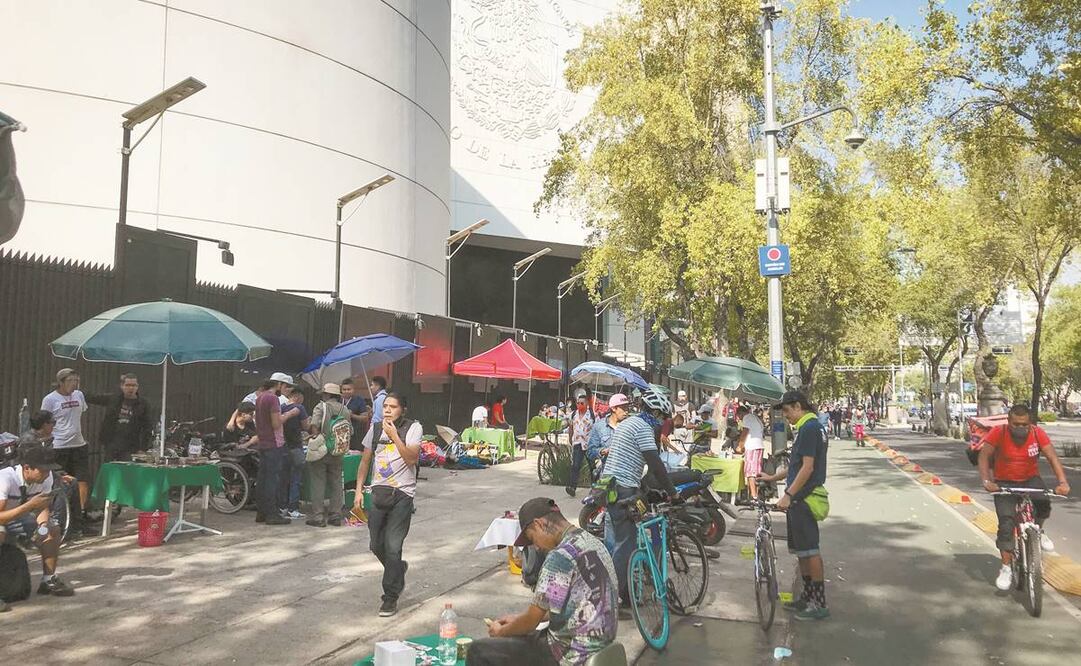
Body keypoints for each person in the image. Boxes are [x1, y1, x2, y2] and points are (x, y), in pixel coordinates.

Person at [468, 498, 618, 666]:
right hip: (600, 644)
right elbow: (568, 605)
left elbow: (530, 622)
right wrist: (517, 619)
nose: (537, 547)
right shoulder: (594, 543)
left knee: (478, 650)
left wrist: (501, 631)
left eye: (532, 539)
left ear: (539, 524)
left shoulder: (560, 557)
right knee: (521, 634)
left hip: (568, 654)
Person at [977, 404, 1070, 591]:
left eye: (1024, 425)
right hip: (1004, 482)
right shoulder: (999, 433)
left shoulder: (1037, 433)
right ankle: (1006, 568)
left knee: (1044, 504)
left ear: (1030, 423)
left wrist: (1063, 482)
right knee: (1006, 523)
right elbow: (984, 456)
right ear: (1009, 422)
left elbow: (1052, 457)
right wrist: (987, 481)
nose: (1020, 428)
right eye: (1016, 424)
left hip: (1030, 479)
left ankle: (1039, 531)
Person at [603, 386, 679, 604]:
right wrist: (672, 492)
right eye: (662, 417)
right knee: (626, 545)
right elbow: (655, 465)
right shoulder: (643, 428)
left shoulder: (629, 423)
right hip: (624, 489)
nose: (662, 422)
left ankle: (626, 593)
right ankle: (611, 597)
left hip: (610, 486)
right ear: (654, 413)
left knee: (621, 538)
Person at [759, 390, 830, 621]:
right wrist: (772, 478)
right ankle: (807, 597)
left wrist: (788, 495)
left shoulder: (810, 428)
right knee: (802, 552)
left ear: (798, 406)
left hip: (804, 498)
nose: (786, 416)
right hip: (798, 498)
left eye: (787, 411)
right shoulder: (809, 427)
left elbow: (807, 468)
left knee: (810, 551)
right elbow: (795, 466)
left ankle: (818, 604)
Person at [355, 393, 422, 617]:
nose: (387, 410)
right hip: (378, 493)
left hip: (402, 494)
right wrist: (358, 490)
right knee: (376, 545)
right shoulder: (375, 429)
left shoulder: (413, 428)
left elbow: (411, 459)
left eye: (393, 406)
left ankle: (390, 597)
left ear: (403, 409)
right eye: (385, 406)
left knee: (393, 546)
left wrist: (394, 435)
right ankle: (398, 569)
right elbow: (365, 460)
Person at [0, 444, 75, 598]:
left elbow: (42, 507)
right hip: (3, 516)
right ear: (27, 468)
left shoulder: (45, 479)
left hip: (17, 516)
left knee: (52, 529)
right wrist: (29, 506)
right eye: (43, 470)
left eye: (49, 470)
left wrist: (43, 527)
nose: (47, 474)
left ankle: (48, 579)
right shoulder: (5, 479)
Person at [41, 369, 90, 532]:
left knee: (82, 480)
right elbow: (44, 422)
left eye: (76, 380)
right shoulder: (50, 399)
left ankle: (80, 517)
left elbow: (81, 412)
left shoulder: (79, 395)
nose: (74, 384)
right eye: (70, 381)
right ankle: (61, 518)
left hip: (78, 444)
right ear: (61, 382)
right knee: (63, 482)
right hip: (59, 446)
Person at [307, 383, 352, 527]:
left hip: (322, 449)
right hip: (338, 450)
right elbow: (350, 430)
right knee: (336, 482)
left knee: (318, 482)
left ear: (326, 394)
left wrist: (316, 437)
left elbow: (314, 426)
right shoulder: (345, 409)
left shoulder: (321, 407)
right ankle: (335, 515)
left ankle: (318, 516)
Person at [85, 373, 155, 462]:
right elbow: (94, 398)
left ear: (137, 386)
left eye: (133, 385)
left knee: (126, 467)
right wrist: (77, 393)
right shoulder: (114, 399)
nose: (131, 388)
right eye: (128, 385)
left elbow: (147, 427)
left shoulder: (143, 404)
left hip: (131, 445)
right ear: (122, 386)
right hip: (111, 443)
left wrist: (143, 448)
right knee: (110, 467)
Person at [252, 380, 289, 525]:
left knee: (263, 478)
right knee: (272, 479)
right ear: (278, 385)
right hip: (274, 443)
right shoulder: (273, 399)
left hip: (263, 441)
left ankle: (261, 512)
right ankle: (272, 514)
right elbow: (276, 423)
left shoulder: (259, 398)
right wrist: (289, 414)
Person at [279, 389, 310, 520]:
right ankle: (293, 508)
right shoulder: (300, 408)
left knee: (283, 478)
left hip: (283, 446)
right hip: (296, 446)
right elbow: (306, 426)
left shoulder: (281, 408)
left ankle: (282, 507)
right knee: (296, 479)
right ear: (298, 396)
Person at [587, 393, 629, 475]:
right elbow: (590, 452)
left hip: (628, 474)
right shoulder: (599, 426)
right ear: (613, 408)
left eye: (627, 408)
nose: (626, 412)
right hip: (608, 474)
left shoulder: (631, 425)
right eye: (624, 408)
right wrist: (603, 451)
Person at [564, 390, 596, 498]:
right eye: (578, 403)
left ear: (586, 404)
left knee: (592, 467)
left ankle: (595, 487)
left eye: (582, 403)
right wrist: (570, 438)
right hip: (577, 443)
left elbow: (596, 429)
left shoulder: (592, 415)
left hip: (589, 443)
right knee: (575, 466)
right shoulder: (573, 414)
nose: (579, 405)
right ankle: (572, 487)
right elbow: (571, 426)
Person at [737, 405, 766, 501]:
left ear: (741, 413)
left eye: (739, 416)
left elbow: (745, 432)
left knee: (751, 473)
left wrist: (740, 446)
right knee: (756, 472)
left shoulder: (747, 418)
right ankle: (754, 495)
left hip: (752, 447)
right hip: (759, 446)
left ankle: (754, 497)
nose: (739, 419)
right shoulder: (755, 418)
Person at [341, 378, 371, 452]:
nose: (346, 391)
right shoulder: (339, 400)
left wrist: (352, 415)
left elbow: (365, 418)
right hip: (341, 434)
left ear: (353, 389)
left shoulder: (359, 400)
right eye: (344, 389)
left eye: (349, 389)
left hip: (356, 434)